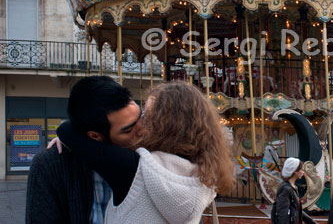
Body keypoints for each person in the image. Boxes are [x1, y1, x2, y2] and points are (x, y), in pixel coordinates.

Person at [56, 81, 234, 224]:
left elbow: (67, 130)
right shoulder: (203, 172)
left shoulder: (133, 167)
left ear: (165, 127)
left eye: (147, 117)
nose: (141, 126)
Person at [26, 76, 144, 224]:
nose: (143, 130)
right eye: (129, 130)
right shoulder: (51, 164)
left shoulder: (152, 149)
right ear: (95, 136)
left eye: (141, 117)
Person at [272, 157, 317, 224]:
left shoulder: (292, 187)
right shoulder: (286, 189)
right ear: (295, 171)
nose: (303, 172)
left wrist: (312, 222)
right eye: (301, 169)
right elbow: (282, 214)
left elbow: (297, 209)